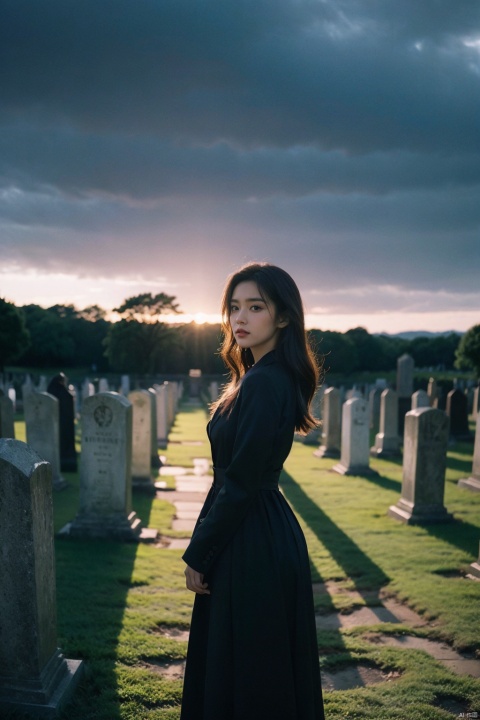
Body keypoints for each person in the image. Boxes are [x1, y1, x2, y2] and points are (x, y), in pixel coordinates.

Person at [181, 262, 325, 720]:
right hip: (258, 530)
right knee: (253, 669)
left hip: (253, 540)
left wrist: (197, 551)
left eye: (255, 307)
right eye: (234, 307)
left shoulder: (265, 382)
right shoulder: (261, 376)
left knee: (250, 674)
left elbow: (240, 482)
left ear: (283, 318)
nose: (240, 318)